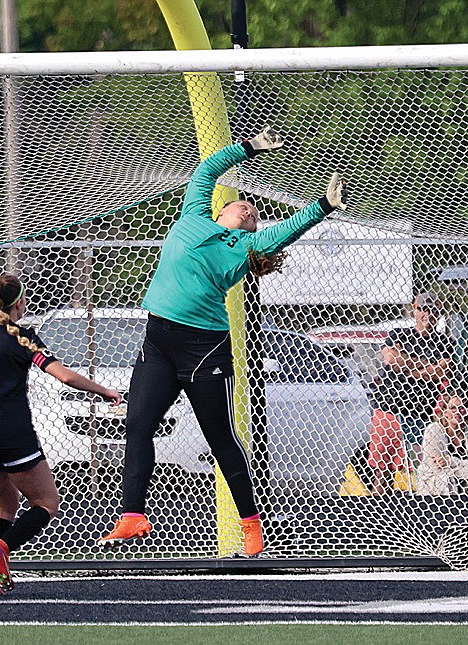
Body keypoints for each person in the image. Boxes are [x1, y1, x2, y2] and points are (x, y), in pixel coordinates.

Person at [97, 127, 348, 556]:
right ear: (222, 207)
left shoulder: (247, 245)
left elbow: (288, 228)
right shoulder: (193, 212)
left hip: (204, 348)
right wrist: (249, 147)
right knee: (138, 424)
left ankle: (251, 526)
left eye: (253, 215)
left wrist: (323, 206)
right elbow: (208, 169)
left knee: (222, 439)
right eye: (244, 206)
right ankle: (132, 516)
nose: (249, 209)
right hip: (158, 339)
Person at [0, 274, 121, 596]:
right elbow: (63, 376)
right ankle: (2, 547)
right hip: (13, 433)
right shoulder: (23, 337)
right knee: (46, 502)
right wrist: (103, 390)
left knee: (4, 504)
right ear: (19, 302)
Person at [366, 293, 453, 494]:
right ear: (415, 311)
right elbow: (390, 359)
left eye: (432, 309)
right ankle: (379, 514)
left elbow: (440, 372)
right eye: (423, 309)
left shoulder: (444, 342)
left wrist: (405, 364)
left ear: (439, 313)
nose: (427, 314)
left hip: (419, 413)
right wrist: (425, 366)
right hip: (389, 409)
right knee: (383, 470)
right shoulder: (398, 334)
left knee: (420, 468)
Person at [414, 390, 468, 495]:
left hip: (466, 479)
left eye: (461, 408)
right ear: (445, 412)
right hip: (435, 479)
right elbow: (436, 467)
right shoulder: (433, 431)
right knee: (447, 477)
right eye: (452, 408)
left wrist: (450, 462)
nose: (458, 412)